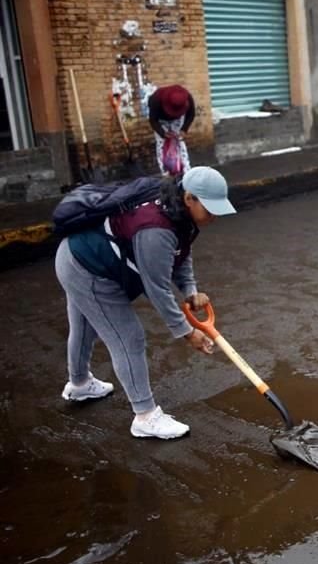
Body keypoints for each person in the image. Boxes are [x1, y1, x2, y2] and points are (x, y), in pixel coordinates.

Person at [55, 167, 235, 439]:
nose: (214, 216)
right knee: (129, 338)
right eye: (210, 209)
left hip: (80, 256)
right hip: (87, 269)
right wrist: (188, 333)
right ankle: (145, 416)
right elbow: (157, 288)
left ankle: (79, 384)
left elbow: (180, 253)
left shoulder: (177, 211)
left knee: (85, 327)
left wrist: (190, 290)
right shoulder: (156, 229)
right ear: (189, 198)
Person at [148, 85, 194, 176]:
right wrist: (162, 133)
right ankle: (165, 173)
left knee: (179, 141)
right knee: (161, 144)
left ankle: (187, 171)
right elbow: (153, 120)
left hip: (178, 120)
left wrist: (184, 129)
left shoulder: (187, 98)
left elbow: (191, 114)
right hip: (160, 120)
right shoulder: (155, 99)